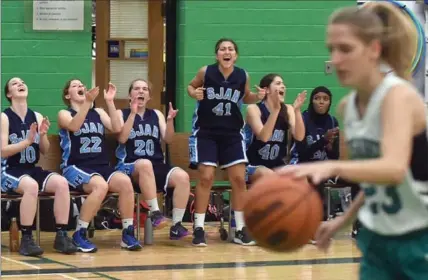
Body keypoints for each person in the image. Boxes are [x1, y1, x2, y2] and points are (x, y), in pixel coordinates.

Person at [278, 3, 428, 279]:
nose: (335, 59)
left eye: (345, 49)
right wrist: (340, 221)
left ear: (374, 49)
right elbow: (374, 183)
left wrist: (332, 167)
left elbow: (394, 169)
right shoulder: (348, 108)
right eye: (331, 49)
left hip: (419, 240)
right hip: (377, 240)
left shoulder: (397, 96)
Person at [187, 38, 264, 246]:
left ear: (235, 55)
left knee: (239, 180)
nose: (226, 52)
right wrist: (194, 92)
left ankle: (240, 229)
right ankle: (199, 228)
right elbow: (191, 86)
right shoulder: (206, 72)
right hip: (207, 132)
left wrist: (258, 96)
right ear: (217, 54)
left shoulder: (243, 75)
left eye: (230, 49)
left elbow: (246, 96)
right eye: (222, 49)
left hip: (231, 134)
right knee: (206, 177)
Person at [58, 79, 141, 252]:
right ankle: (79, 233)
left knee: (125, 183)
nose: (81, 87)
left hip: (101, 165)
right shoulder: (64, 114)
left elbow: (117, 128)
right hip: (75, 166)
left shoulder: (98, 112)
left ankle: (127, 233)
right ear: (67, 95)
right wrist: (87, 102)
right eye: (75, 86)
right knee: (100, 186)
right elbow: (74, 126)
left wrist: (110, 101)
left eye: (82, 85)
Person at [1, 77, 77, 256]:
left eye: (22, 82)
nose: (20, 84)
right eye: (14, 83)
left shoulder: (36, 116)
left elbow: (44, 150)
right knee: (31, 186)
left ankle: (61, 235)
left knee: (61, 183)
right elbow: (3, 151)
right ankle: (26, 239)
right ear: (9, 94)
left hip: (31, 168)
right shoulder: (4, 117)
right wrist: (27, 141)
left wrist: (42, 135)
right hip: (8, 170)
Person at [115, 79, 191, 240]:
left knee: (182, 177)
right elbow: (122, 138)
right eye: (136, 89)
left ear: (149, 96)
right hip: (129, 166)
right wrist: (133, 113)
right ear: (130, 95)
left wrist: (170, 120)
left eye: (145, 89)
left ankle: (176, 226)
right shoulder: (121, 114)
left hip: (155, 165)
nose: (141, 91)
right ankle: (156, 213)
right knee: (144, 164)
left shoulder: (156, 114)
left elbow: (168, 139)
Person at [244, 73, 305, 183]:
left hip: (277, 165)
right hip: (253, 165)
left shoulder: (288, 109)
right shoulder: (253, 109)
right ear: (267, 90)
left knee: (301, 176)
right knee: (268, 175)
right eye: (278, 83)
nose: (283, 86)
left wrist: (297, 111)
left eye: (283, 84)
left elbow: (299, 137)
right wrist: (275, 111)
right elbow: (264, 137)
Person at [289, 86, 339, 165]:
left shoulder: (333, 121)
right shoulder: (302, 119)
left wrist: (330, 149)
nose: (321, 102)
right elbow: (302, 155)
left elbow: (335, 158)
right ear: (311, 101)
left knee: (345, 176)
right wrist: (323, 140)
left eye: (325, 99)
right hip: (301, 164)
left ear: (330, 103)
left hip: (322, 167)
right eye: (317, 98)